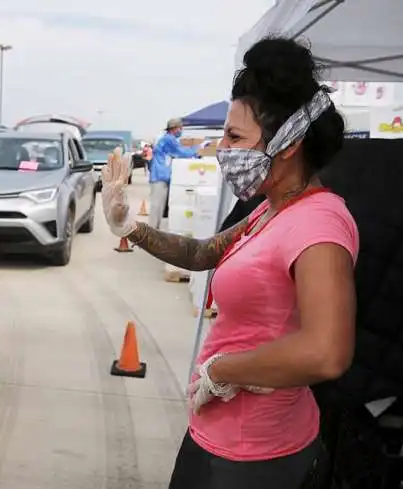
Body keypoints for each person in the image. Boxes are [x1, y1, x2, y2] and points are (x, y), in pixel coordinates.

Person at [101, 36, 358, 488]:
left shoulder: (318, 224)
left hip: (256, 454)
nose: (222, 148)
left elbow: (327, 352)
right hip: (216, 433)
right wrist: (129, 227)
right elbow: (203, 253)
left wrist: (222, 370)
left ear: (289, 142)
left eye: (235, 137)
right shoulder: (272, 208)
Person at [148, 118, 203, 229]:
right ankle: (150, 234)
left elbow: (180, 152)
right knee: (156, 207)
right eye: (180, 128)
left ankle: (154, 232)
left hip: (163, 177)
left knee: (160, 207)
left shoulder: (170, 140)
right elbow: (181, 152)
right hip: (159, 177)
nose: (181, 130)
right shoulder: (168, 140)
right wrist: (198, 148)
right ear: (174, 129)